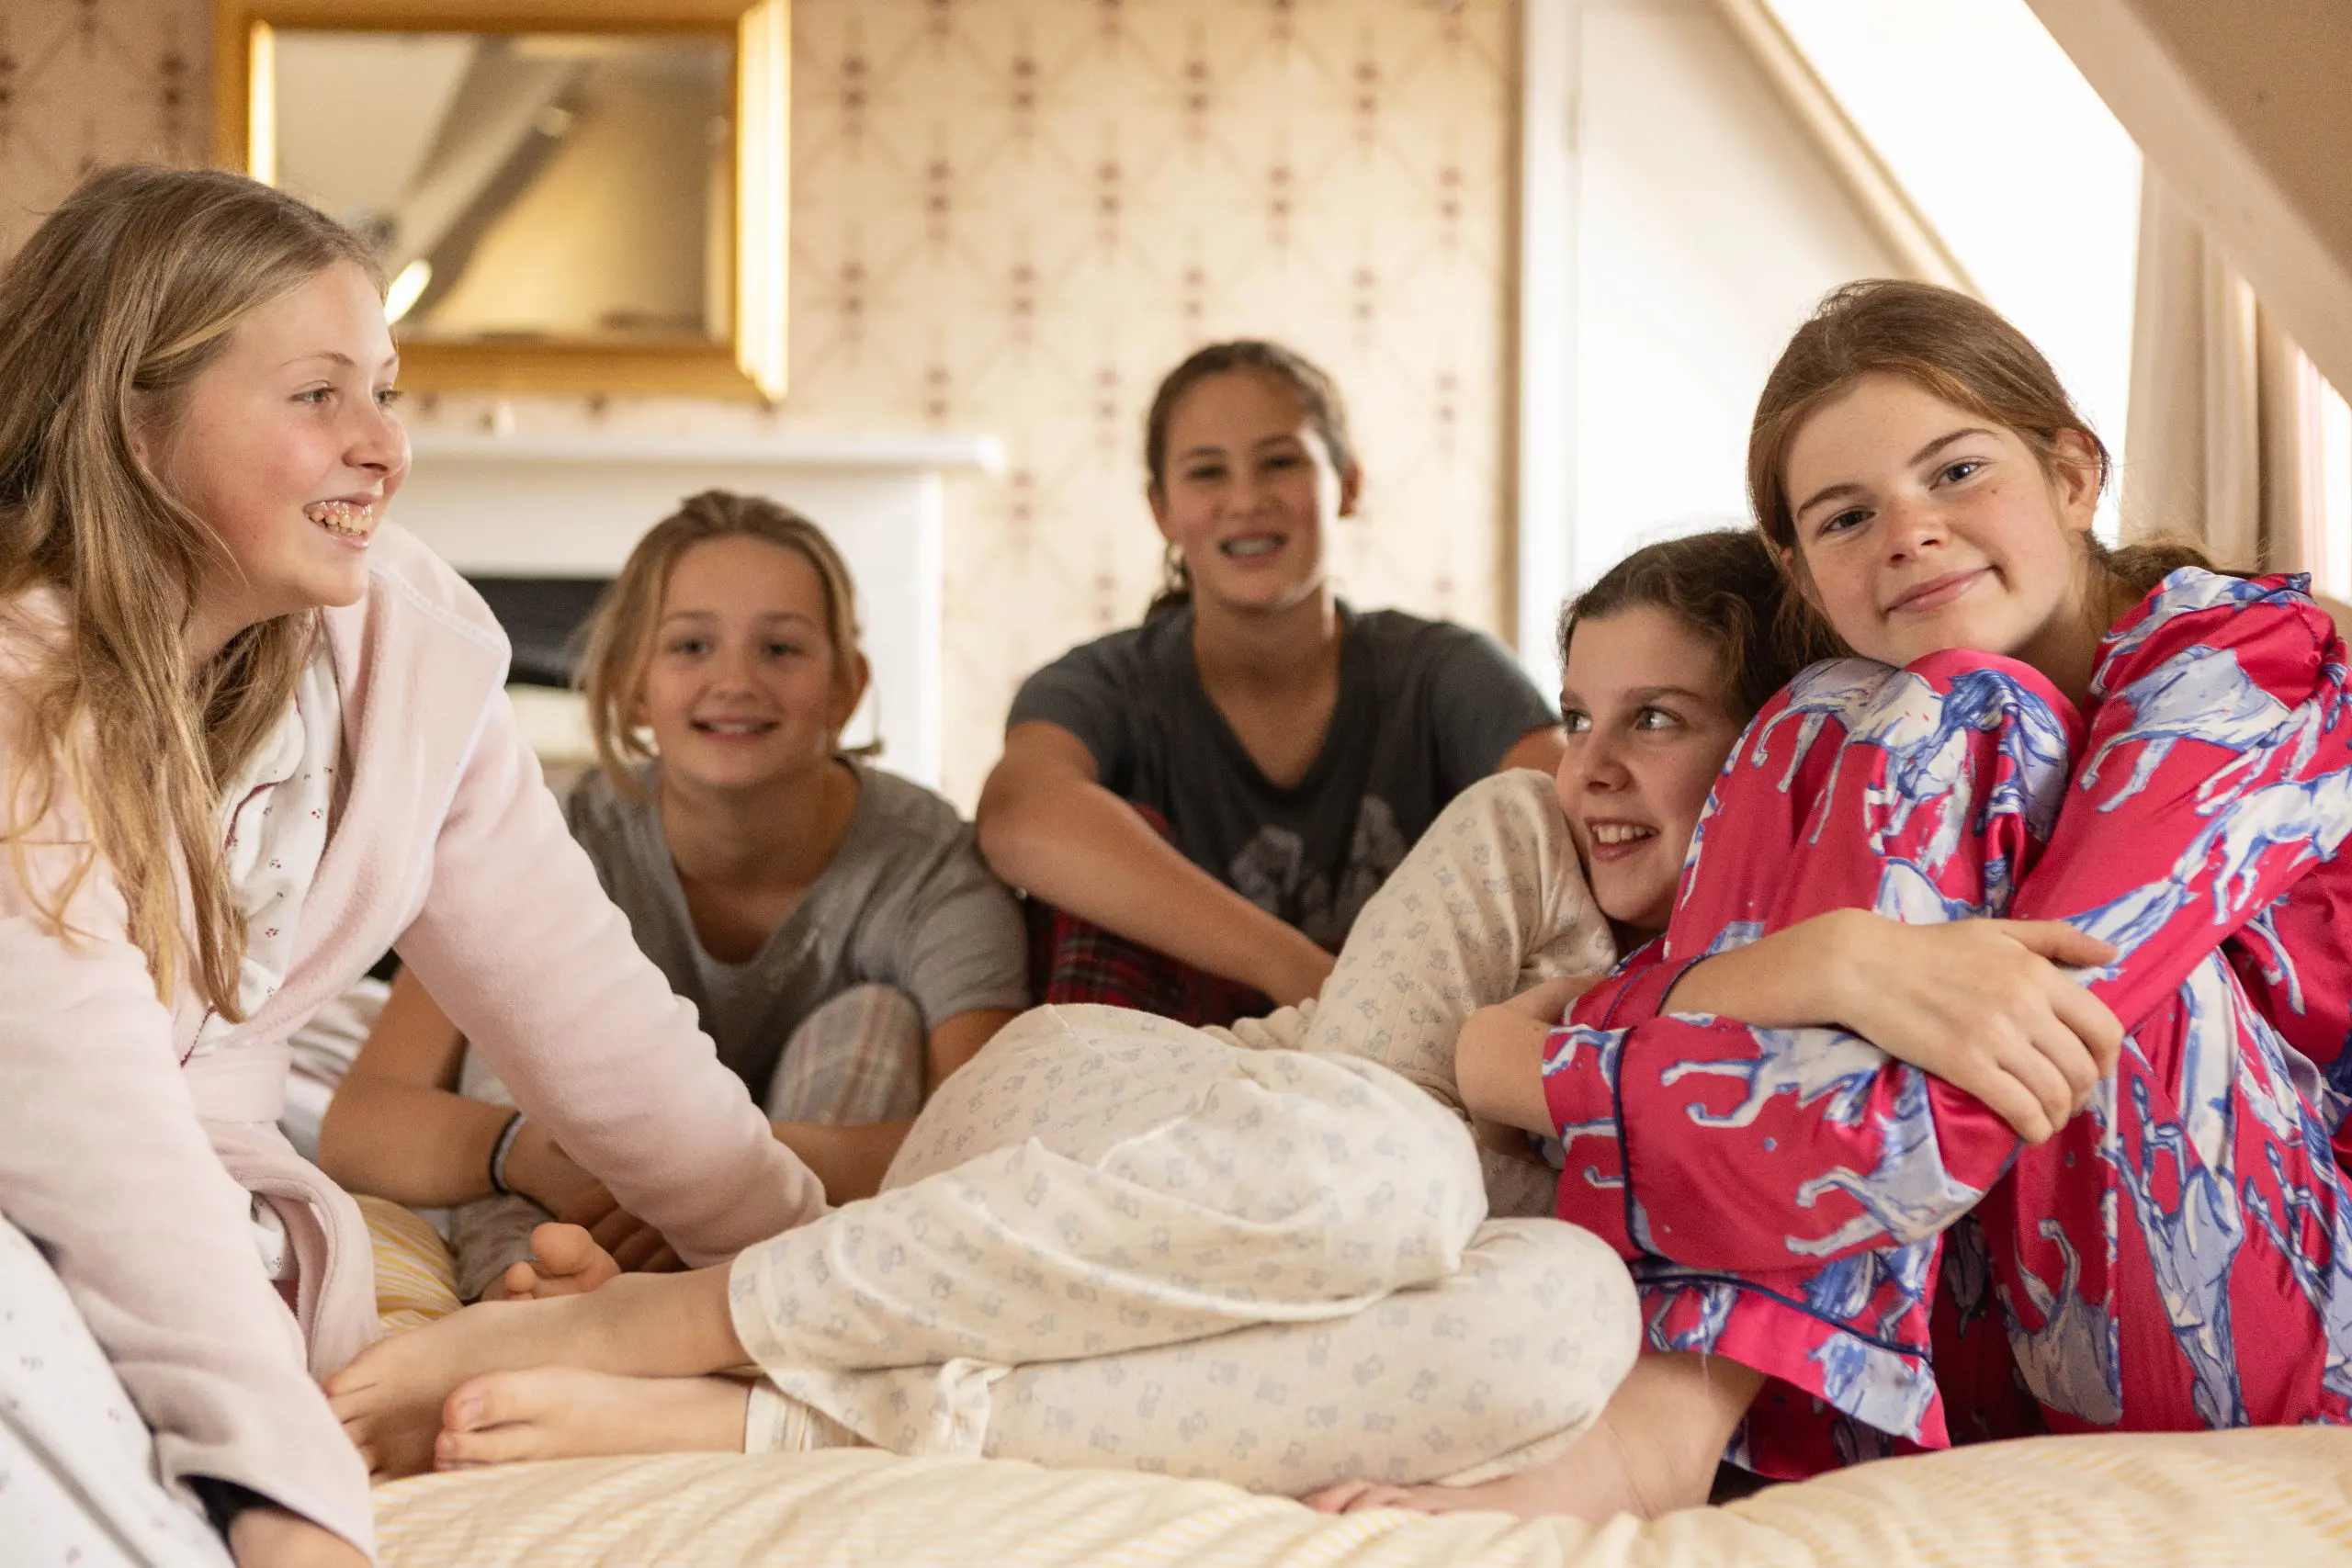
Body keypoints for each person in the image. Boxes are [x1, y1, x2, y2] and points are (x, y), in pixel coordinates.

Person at [319, 529, 1893, 1496]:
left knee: (1563, 1320)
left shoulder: (1827, 1025)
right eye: (1578, 713)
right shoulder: (1522, 835)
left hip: (1235, 1277)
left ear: (1773, 755)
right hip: (1117, 1122)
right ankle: (672, 1321)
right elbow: (1352, 1118)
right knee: (1403, 1167)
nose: (1589, 763)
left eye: (1655, 720)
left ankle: (764, 1423)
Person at [1328, 278, 2352, 1520]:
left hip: (2286, 1315)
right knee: (1826, 707)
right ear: (1802, 570)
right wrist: (1831, 961)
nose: (1908, 534)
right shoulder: (1855, 731)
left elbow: (1997, 1055)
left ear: (2073, 474)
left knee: (1972, 719)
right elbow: (1895, 1058)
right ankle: (1681, 1415)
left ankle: (1662, 1422)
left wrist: (1547, 1063)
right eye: (1847, 516)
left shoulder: (2248, 663)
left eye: (1957, 471)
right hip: (1998, 1329)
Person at [0, 167, 827, 1567]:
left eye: (385, 390)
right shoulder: (20, 677)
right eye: (318, 394)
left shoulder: (404, 645)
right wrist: (289, 1494)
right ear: (132, 420)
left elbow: (593, 1012)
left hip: (181, 1209)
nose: (384, 446)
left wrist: (807, 1290)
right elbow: (89, 1127)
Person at [318, 494, 1026, 1299]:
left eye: (782, 648)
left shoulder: (927, 864)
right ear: (631, 686)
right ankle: (540, 1292)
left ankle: (768, 1302)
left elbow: (991, 1134)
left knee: (873, 1013)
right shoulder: (550, 836)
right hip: (587, 1215)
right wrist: (530, 1150)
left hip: (778, 1229)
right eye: (690, 645)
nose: (736, 681)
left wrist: (697, 1168)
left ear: (846, 686)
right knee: (525, 1023)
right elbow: (359, 1123)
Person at [978, 341, 1563, 1026]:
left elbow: (1567, 819)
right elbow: (1018, 816)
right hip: (1166, 1062)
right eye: (1207, 472)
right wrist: (1304, 974)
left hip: (1407, 1048)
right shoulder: (1099, 685)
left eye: (1280, 462)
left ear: (1347, 484)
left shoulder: (1445, 671)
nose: (1246, 500)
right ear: (1162, 509)